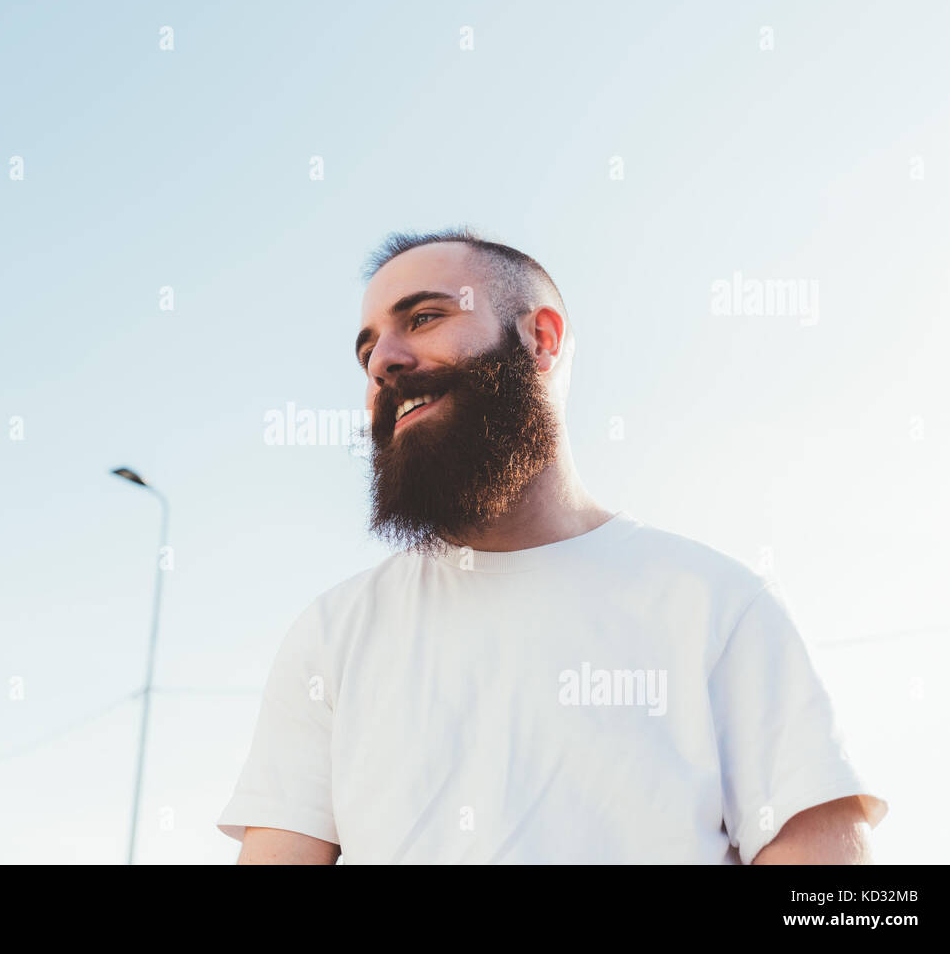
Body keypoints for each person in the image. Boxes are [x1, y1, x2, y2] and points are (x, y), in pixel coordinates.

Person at [217, 228, 887, 864]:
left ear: (541, 338)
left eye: (422, 317)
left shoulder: (720, 604)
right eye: (367, 352)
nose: (384, 362)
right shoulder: (333, 634)